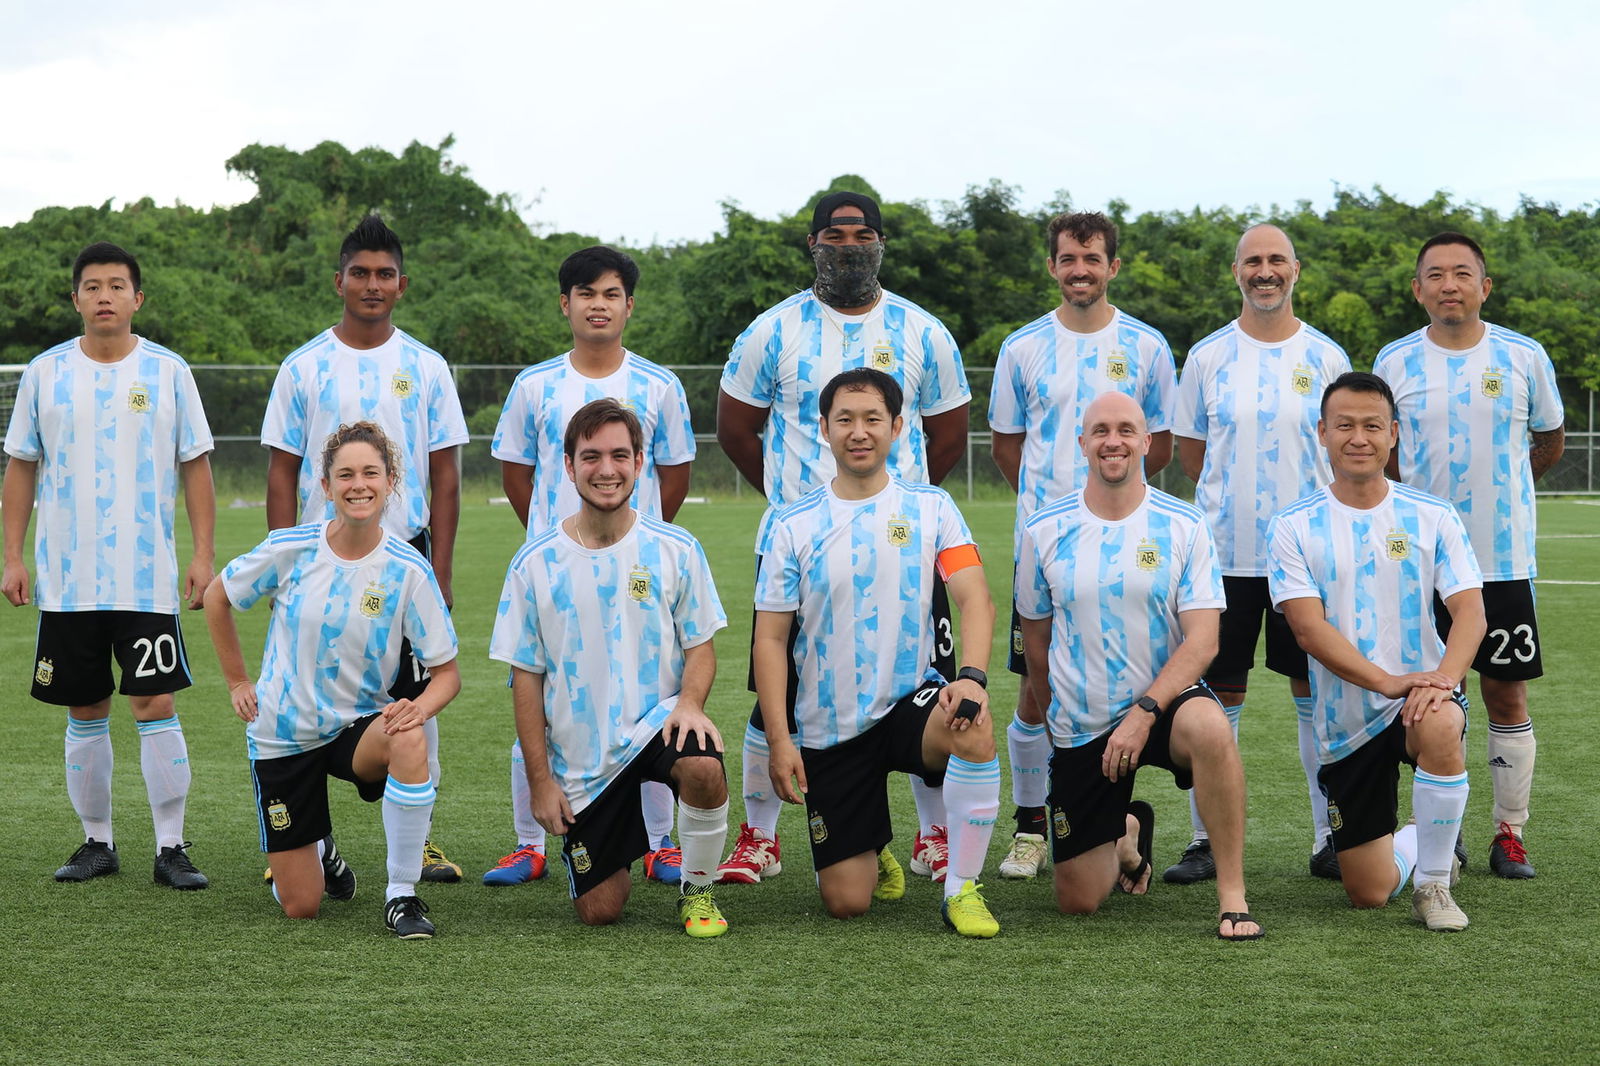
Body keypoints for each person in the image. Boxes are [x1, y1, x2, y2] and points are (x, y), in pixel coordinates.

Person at [717, 190, 972, 886]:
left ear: (881, 243)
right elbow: (736, 429)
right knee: (779, 684)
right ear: (813, 244)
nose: (849, 244)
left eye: (862, 234)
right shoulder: (773, 331)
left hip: (906, 547)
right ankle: (759, 837)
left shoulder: (923, 332)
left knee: (931, 680)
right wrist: (798, 504)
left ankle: (937, 836)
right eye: (835, 234)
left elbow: (947, 435)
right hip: (801, 546)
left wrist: (898, 506)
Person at [755, 368, 1002, 936]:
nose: (859, 432)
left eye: (872, 420)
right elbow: (768, 639)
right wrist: (778, 740)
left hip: (911, 703)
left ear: (896, 428)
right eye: (845, 419)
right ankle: (873, 844)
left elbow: (975, 599)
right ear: (824, 429)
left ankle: (961, 888)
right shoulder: (791, 525)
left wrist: (971, 678)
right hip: (830, 725)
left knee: (972, 723)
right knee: (848, 902)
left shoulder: (932, 507)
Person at [260, 214, 470, 883]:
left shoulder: (426, 366)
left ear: (401, 284)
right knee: (306, 702)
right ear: (339, 280)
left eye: (385, 274)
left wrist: (438, 572)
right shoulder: (303, 366)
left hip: (401, 559)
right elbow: (281, 473)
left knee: (414, 700)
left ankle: (419, 844)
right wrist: (281, 565)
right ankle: (307, 842)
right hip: (319, 562)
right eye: (360, 273)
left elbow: (445, 476)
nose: (372, 285)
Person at [2, 241, 215, 890]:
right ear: (76, 299)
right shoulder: (44, 373)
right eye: (91, 286)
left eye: (116, 285)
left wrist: (204, 553)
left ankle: (171, 847)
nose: (104, 296)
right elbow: (21, 466)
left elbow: (196, 465)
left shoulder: (170, 372)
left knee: (153, 702)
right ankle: (98, 842)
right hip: (67, 581)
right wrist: (12, 554)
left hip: (145, 579)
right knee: (86, 708)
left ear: (136, 298)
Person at [486, 246, 697, 887]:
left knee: (653, 698)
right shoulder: (535, 385)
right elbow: (517, 470)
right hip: (559, 573)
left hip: (636, 568)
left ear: (629, 305)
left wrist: (632, 534)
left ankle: (660, 842)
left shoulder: (660, 385)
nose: (598, 305)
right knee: (541, 695)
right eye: (585, 294)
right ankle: (530, 842)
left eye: (610, 294)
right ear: (565, 304)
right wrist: (554, 535)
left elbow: (675, 475)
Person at [1017, 391, 1260, 939]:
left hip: (1165, 706)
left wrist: (1147, 709)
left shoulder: (1183, 523)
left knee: (1211, 724)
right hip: (1084, 721)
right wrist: (1058, 715)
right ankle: (1127, 837)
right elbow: (1036, 636)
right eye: (1100, 429)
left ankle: (1233, 895)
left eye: (1127, 429)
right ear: (1082, 442)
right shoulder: (1043, 529)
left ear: (1148, 443)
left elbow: (1203, 640)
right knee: (1078, 901)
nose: (1113, 440)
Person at [204, 421, 460, 938]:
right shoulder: (291, 548)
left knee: (408, 732)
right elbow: (217, 597)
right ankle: (320, 848)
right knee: (302, 905)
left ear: (391, 482)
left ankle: (401, 895)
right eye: (345, 474)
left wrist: (421, 708)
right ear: (325, 487)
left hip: (355, 728)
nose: (358, 484)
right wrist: (237, 681)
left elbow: (447, 674)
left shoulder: (409, 568)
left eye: (371, 472)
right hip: (284, 734)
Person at [491, 399, 732, 937]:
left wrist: (690, 704)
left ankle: (698, 889)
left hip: (657, 723)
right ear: (569, 466)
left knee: (704, 766)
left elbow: (701, 647)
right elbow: (525, 679)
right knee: (601, 910)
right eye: (592, 455)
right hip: (584, 759)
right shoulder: (534, 563)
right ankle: (621, 843)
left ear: (640, 463)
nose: (607, 469)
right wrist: (540, 782)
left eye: (620, 455)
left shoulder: (675, 548)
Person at [988, 211, 1177, 880]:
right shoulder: (1023, 347)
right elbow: (1009, 445)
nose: (1080, 270)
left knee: (1130, 686)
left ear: (1113, 266)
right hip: (1045, 558)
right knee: (1037, 694)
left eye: (1092, 258)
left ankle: (1118, 822)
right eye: (1068, 258)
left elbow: (1163, 444)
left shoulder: (1149, 347)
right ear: (1052, 267)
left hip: (1131, 559)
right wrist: (1057, 519)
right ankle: (1030, 829)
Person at [1373, 233, 1565, 880]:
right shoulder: (1395, 361)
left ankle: (1509, 834)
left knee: (1505, 697)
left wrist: (1505, 491)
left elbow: (1550, 438)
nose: (1449, 284)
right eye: (1435, 274)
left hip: (1501, 563)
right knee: (1429, 700)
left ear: (1485, 286)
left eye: (1463, 274)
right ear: (1418, 289)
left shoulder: (1522, 355)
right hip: (1419, 569)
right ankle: (1440, 835)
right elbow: (1385, 454)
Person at [1167, 224, 1352, 885]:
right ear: (1236, 271)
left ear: (1296, 270)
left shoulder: (1328, 357)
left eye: (1277, 260)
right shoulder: (1209, 356)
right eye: (1253, 261)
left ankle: (1330, 836)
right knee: (1214, 701)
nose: (1265, 271)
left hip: (1307, 563)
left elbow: (1342, 452)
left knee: (1319, 696)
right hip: (1223, 560)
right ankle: (1204, 841)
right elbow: (1195, 454)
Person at [1268, 373, 1485, 931]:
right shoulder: (1293, 525)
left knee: (1440, 723)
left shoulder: (1432, 515)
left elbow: (1470, 613)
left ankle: (1434, 884)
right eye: (1344, 425)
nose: (1357, 437)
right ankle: (1423, 835)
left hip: (1420, 699)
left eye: (1371, 425)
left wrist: (1442, 679)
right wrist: (1388, 682)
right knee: (1367, 891)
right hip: (1347, 719)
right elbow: (1309, 630)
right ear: (1322, 432)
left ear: (1393, 434)